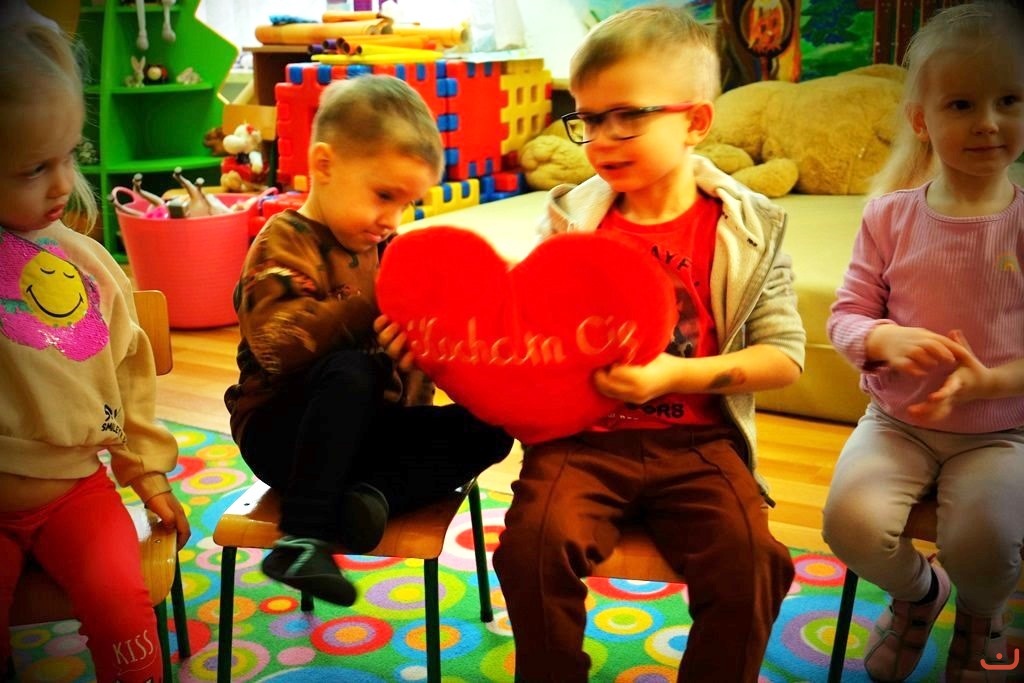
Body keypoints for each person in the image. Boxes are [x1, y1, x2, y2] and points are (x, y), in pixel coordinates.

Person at [467, 6, 806, 681]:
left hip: (699, 445)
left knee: (752, 563)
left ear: (696, 121)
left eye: (627, 116)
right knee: (531, 548)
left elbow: (784, 359)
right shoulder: (570, 219)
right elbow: (528, 329)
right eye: (589, 118)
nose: (601, 139)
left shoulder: (748, 228)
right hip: (584, 442)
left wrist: (671, 376)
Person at [225, 75, 514, 607]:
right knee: (352, 370)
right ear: (325, 165)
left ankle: (370, 499)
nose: (392, 219)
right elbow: (277, 347)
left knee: (493, 427)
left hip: (366, 438)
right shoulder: (283, 240)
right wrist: (379, 304)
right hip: (282, 434)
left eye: (406, 204)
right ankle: (303, 538)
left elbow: (415, 378)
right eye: (384, 196)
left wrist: (416, 359)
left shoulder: (389, 251)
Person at [822, 3, 1024, 681]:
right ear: (921, 119)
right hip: (897, 422)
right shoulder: (888, 216)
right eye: (962, 104)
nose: (988, 121)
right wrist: (882, 337)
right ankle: (920, 594)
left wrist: (990, 382)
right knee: (849, 524)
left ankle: (981, 614)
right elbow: (846, 314)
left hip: (1002, 430)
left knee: (985, 542)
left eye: (1009, 100)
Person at [0, 16, 190, 683]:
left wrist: (149, 473)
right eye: (35, 167)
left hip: (77, 492)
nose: (61, 184)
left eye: (69, 156)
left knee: (120, 604)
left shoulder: (88, 264)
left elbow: (127, 376)